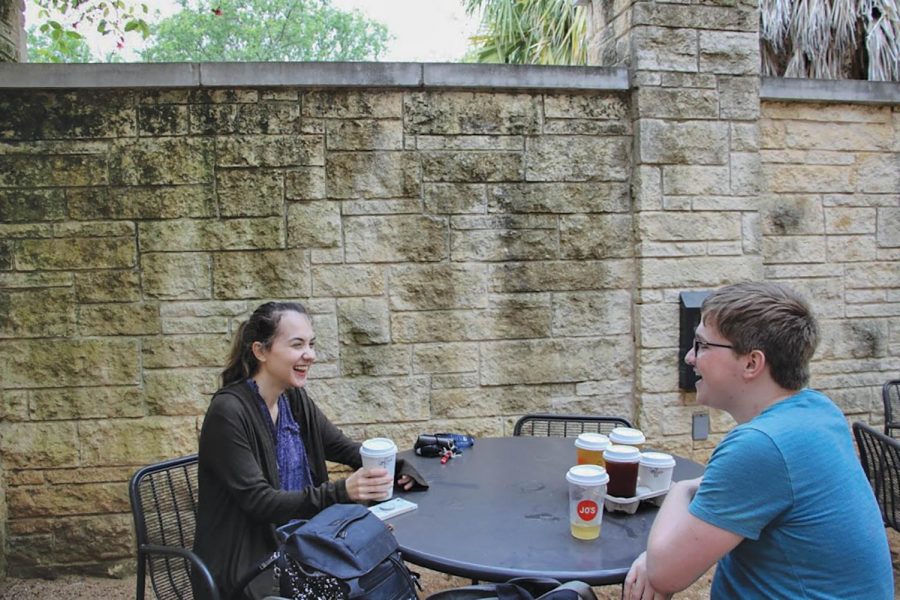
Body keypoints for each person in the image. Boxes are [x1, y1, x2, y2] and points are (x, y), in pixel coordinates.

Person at [624, 282, 893, 600]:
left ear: (751, 363)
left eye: (702, 345)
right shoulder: (818, 411)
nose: (689, 358)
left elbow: (664, 574)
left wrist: (679, 489)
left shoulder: (762, 444)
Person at [192, 301, 425, 599]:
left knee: (384, 568)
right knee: (366, 579)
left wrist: (395, 466)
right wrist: (342, 491)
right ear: (260, 351)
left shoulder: (293, 399)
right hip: (250, 564)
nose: (310, 355)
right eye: (297, 344)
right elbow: (259, 502)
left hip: (301, 543)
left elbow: (341, 447)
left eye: (312, 344)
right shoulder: (228, 412)